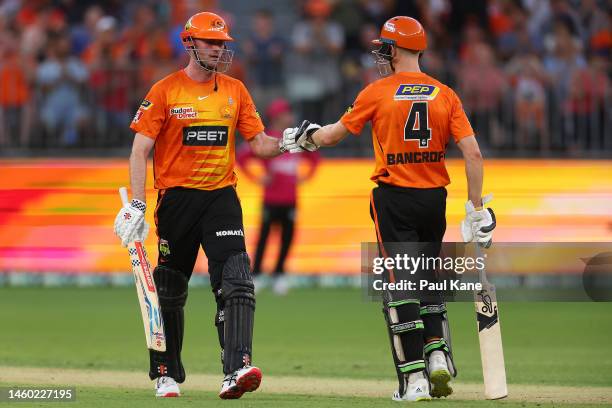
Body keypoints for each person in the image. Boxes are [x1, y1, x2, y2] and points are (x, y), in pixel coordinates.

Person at [280, 16, 496, 401]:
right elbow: (473, 153)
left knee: (400, 287)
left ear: (395, 50)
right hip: (434, 199)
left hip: (394, 198)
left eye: (385, 48)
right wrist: (476, 210)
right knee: (428, 280)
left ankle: (414, 381)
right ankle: (438, 356)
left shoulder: (377, 92)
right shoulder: (445, 93)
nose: (382, 54)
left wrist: (304, 137)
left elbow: (332, 136)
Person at [113, 12, 289, 400]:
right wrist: (138, 204)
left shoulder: (235, 90)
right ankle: (165, 372)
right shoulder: (165, 90)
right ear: (189, 43)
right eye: (212, 42)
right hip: (176, 199)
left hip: (221, 197)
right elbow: (140, 149)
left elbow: (259, 143)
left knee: (237, 278)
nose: (219, 48)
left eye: (223, 42)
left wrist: (292, 141)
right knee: (170, 288)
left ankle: (237, 368)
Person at [237, 98, 319, 295]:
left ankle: (279, 274)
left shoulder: (297, 139)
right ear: (277, 116)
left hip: (291, 199)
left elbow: (314, 158)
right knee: (264, 237)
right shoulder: (266, 140)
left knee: (287, 237)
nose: (290, 117)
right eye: (286, 113)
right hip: (271, 199)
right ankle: (256, 274)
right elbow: (241, 157)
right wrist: (258, 178)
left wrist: (305, 177)